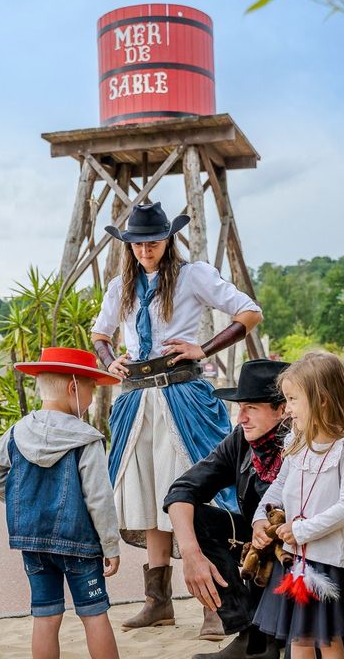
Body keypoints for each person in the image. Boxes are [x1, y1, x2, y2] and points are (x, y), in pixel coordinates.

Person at [90, 201, 263, 632]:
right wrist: (110, 358)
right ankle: (158, 602)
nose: (145, 250)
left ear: (168, 239)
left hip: (183, 393)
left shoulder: (193, 275)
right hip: (136, 401)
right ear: (127, 245)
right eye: (137, 244)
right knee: (150, 496)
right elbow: (99, 334)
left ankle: (215, 605)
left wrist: (203, 348)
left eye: (153, 241)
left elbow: (249, 312)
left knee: (193, 493)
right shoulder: (120, 287)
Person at [0, 346, 123, 659]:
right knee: (94, 613)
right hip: (79, 544)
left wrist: (24, 500)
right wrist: (110, 546)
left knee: (45, 616)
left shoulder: (18, 431)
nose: (91, 397)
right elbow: (99, 498)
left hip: (33, 544)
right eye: (91, 390)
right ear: (74, 387)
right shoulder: (87, 438)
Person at [164, 359, 291, 659]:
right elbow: (182, 490)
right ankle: (248, 633)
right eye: (240, 406)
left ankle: (274, 639)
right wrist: (191, 555)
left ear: (282, 409)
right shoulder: (242, 441)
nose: (240, 417)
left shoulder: (303, 443)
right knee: (198, 521)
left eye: (252, 408)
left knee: (276, 541)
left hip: (299, 543)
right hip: (256, 541)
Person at [250, 352, 344, 659]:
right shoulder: (296, 441)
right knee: (299, 639)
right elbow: (278, 485)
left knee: (326, 639)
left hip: (323, 561)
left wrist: (301, 530)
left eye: (292, 399)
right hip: (292, 559)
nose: (287, 409)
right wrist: (260, 517)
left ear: (322, 400)